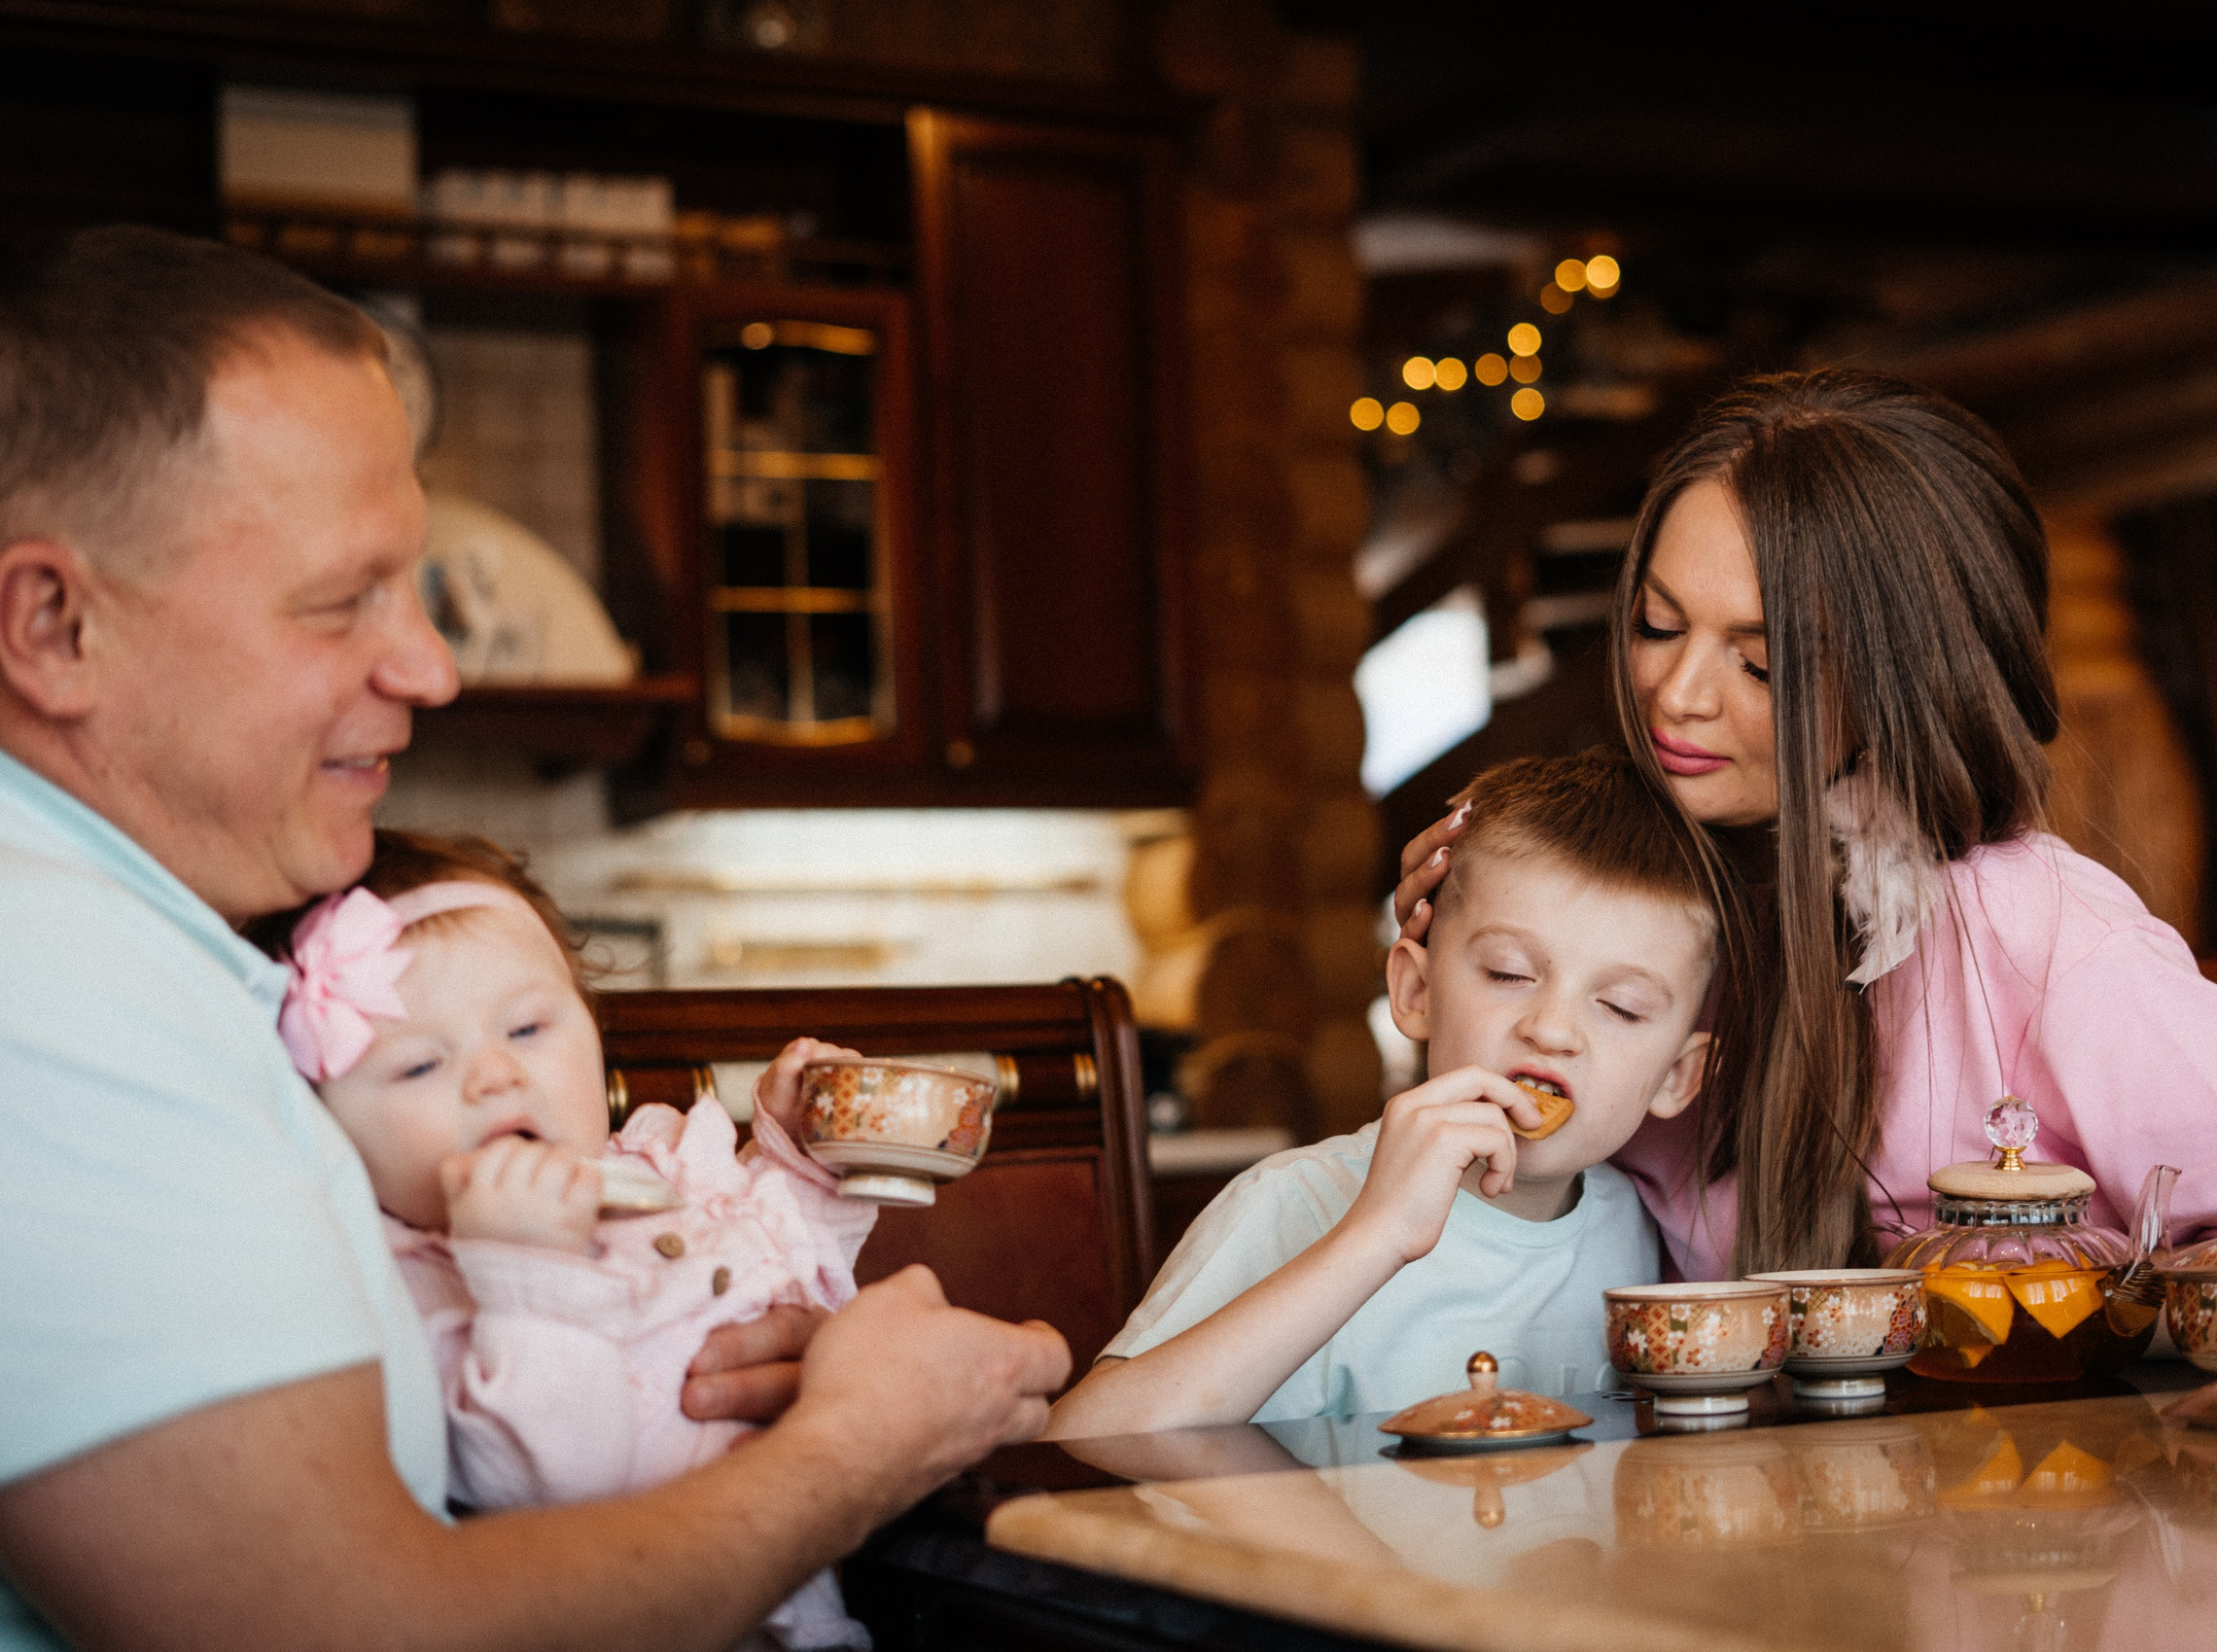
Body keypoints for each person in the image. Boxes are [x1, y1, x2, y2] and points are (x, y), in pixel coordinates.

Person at [0, 225, 1067, 1652]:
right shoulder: (51, 989)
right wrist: (863, 1443)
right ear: (52, 623)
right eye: (342, 600)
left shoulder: (119, 947)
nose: (429, 665)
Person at [1394, 369, 2217, 1283]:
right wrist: (1472, 966)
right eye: (1655, 626)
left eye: (1760, 664)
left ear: (1901, 679)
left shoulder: (2030, 931)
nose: (1675, 694)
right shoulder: (1623, 904)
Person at [250, 830, 881, 1648]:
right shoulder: (415, 1286)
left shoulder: (661, 1171)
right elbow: (556, 1480)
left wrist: (803, 1161)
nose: (495, 1075)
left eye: (526, 1029)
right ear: (327, 1131)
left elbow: (801, 1280)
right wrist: (524, 1272)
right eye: (417, 1067)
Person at [1047, 749, 1715, 1438]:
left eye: (1623, 1007)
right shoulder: (1295, 1202)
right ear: (1416, 991)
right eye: (1510, 973)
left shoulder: (1639, 1236)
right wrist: (1377, 1234)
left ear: (1676, 1076)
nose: (1552, 1030)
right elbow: (1079, 1443)